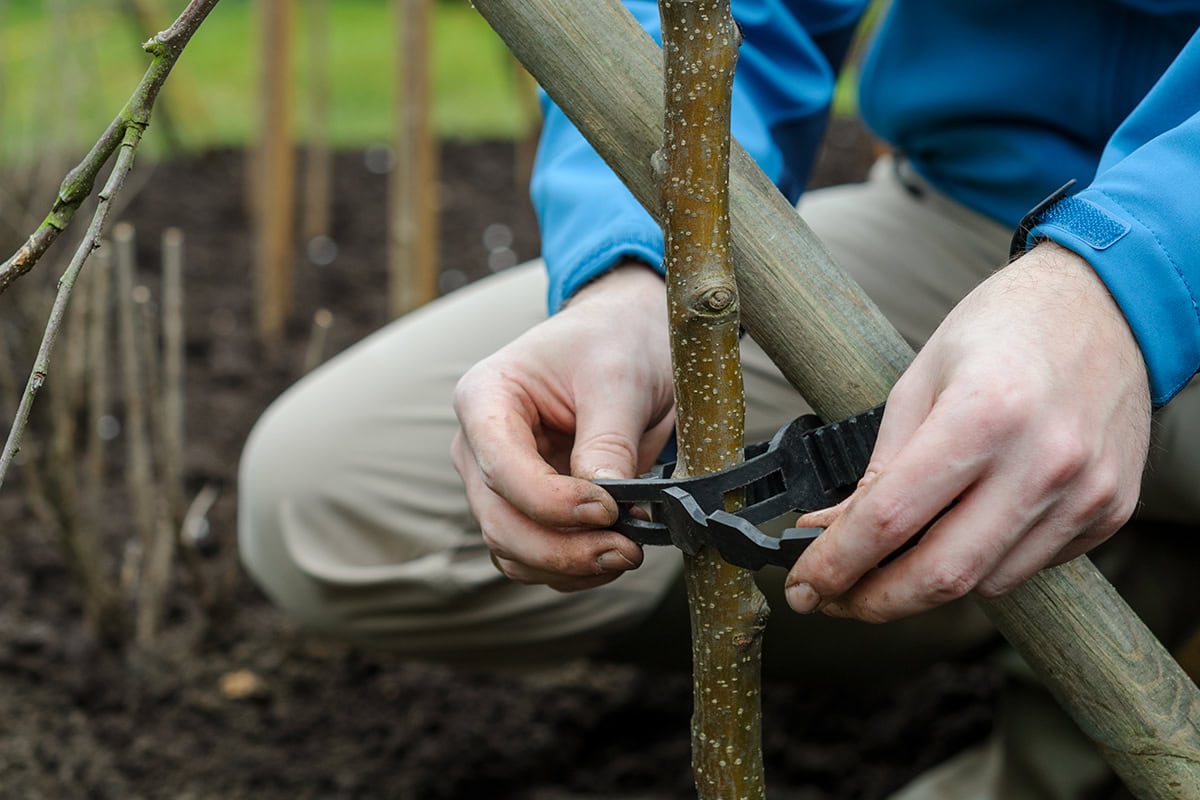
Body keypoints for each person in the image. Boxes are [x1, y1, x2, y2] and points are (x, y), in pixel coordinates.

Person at [238, 2, 1200, 797]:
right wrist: (640, 265)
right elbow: (718, 15)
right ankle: (1125, 568)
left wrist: (1136, 271)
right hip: (982, 213)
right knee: (335, 500)